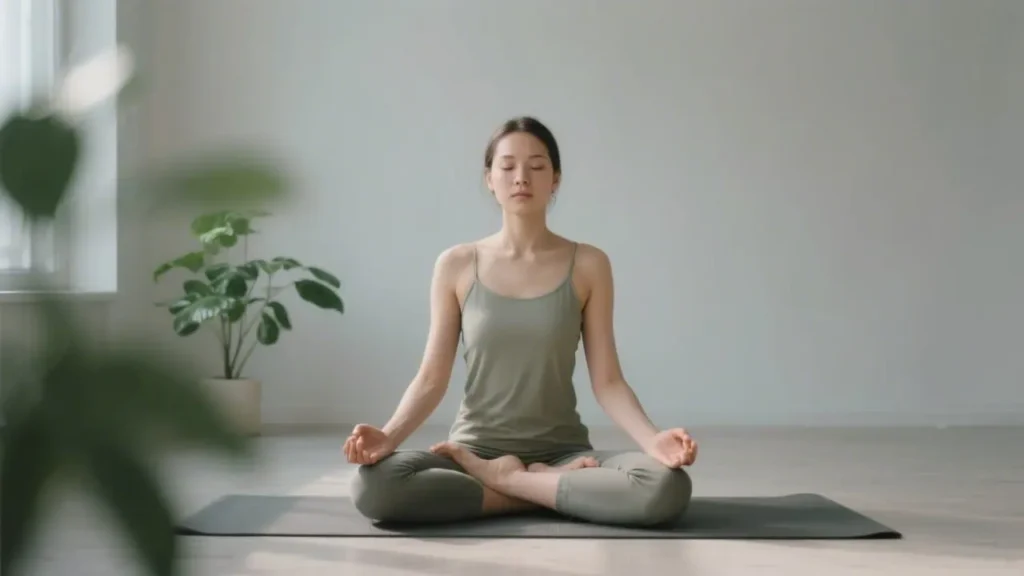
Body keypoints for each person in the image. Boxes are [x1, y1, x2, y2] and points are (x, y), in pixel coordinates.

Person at [344, 116, 698, 527]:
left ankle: (509, 484)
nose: (521, 178)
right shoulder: (457, 264)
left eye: (537, 165)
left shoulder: (588, 264)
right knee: (373, 487)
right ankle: (542, 492)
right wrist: (388, 438)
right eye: (507, 166)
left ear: (556, 179)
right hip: (473, 453)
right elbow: (431, 378)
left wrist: (652, 439)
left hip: (565, 456)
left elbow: (609, 382)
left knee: (665, 487)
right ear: (489, 179)